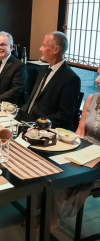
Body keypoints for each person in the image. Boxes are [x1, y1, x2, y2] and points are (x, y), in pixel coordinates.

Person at [50, 67, 100, 232]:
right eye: (98, 74)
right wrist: (72, 149)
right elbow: (80, 131)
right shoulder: (92, 99)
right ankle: (50, 213)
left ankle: (53, 219)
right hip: (86, 149)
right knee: (54, 169)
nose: (97, 80)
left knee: (68, 179)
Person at [22, 31, 81, 130]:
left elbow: (65, 115)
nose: (40, 49)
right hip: (27, 121)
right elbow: (33, 101)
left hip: (45, 128)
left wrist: (39, 124)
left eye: (44, 46)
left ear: (56, 49)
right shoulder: (44, 69)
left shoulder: (70, 78)